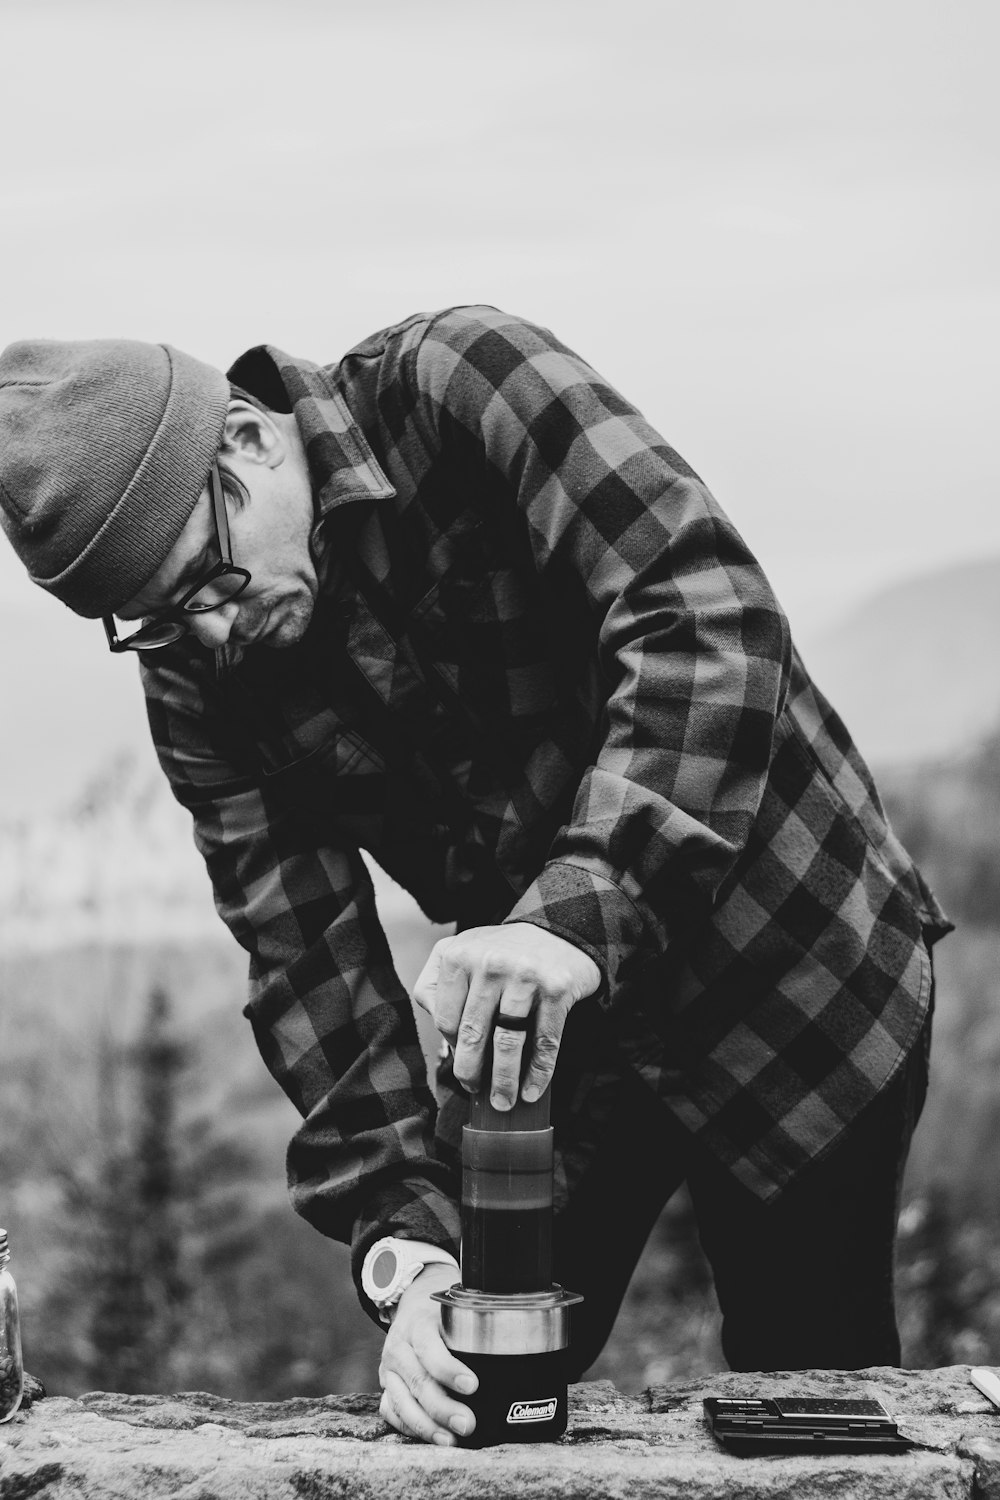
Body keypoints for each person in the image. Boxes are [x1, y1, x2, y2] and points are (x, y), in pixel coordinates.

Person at [0, 307, 950, 1445]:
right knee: (474, 1401)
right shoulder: (201, 679)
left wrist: (576, 911)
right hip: (544, 1051)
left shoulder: (461, 384)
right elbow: (309, 966)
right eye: (152, 621)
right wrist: (406, 1259)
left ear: (245, 441)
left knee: (808, 1393)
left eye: (204, 577)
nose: (209, 633)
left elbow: (701, 616)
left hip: (791, 963)